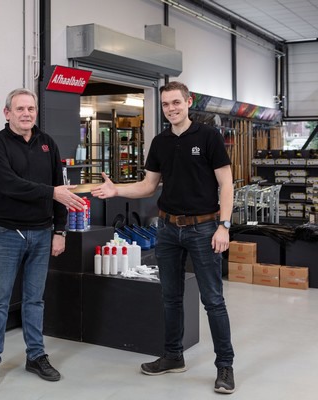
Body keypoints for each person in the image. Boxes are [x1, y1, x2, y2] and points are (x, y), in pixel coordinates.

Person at [91, 81, 236, 394]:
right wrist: (116, 190)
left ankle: (225, 366)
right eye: (166, 104)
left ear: (188, 102)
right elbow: (148, 186)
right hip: (167, 229)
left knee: (213, 300)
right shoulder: (160, 142)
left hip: (204, 228)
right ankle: (173, 356)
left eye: (176, 102)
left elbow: (226, 184)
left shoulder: (208, 136)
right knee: (170, 296)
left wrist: (224, 226)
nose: (171, 109)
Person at [0, 88, 86, 387]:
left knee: (34, 300)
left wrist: (60, 231)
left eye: (31, 109)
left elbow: (60, 191)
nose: (26, 114)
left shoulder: (47, 143)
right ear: (7, 113)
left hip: (42, 234)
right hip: (6, 234)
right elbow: (9, 184)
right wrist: (52, 193)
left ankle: (36, 356)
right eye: (20, 109)